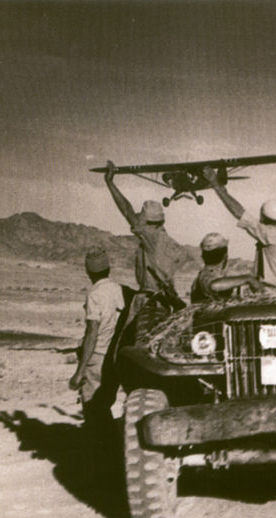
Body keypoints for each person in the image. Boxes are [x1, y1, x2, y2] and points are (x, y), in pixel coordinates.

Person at [103, 160, 184, 342]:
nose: (137, 221)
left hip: (149, 304)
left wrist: (110, 183)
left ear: (148, 223)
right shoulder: (168, 242)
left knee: (135, 348)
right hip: (162, 303)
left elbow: (126, 210)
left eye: (141, 219)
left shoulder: (152, 237)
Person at [202, 167, 276, 290]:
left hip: (272, 291)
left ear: (263, 216)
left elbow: (238, 212)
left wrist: (215, 183)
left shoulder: (268, 234)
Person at [69, 247, 124, 443]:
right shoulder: (119, 289)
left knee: (94, 408)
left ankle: (106, 455)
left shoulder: (95, 294)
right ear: (108, 268)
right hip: (115, 355)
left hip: (97, 356)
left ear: (88, 271)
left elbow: (92, 332)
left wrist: (80, 370)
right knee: (105, 403)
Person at [190, 232, 263, 303]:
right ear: (225, 254)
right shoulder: (207, 275)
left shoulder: (216, 273)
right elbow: (213, 285)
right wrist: (248, 279)